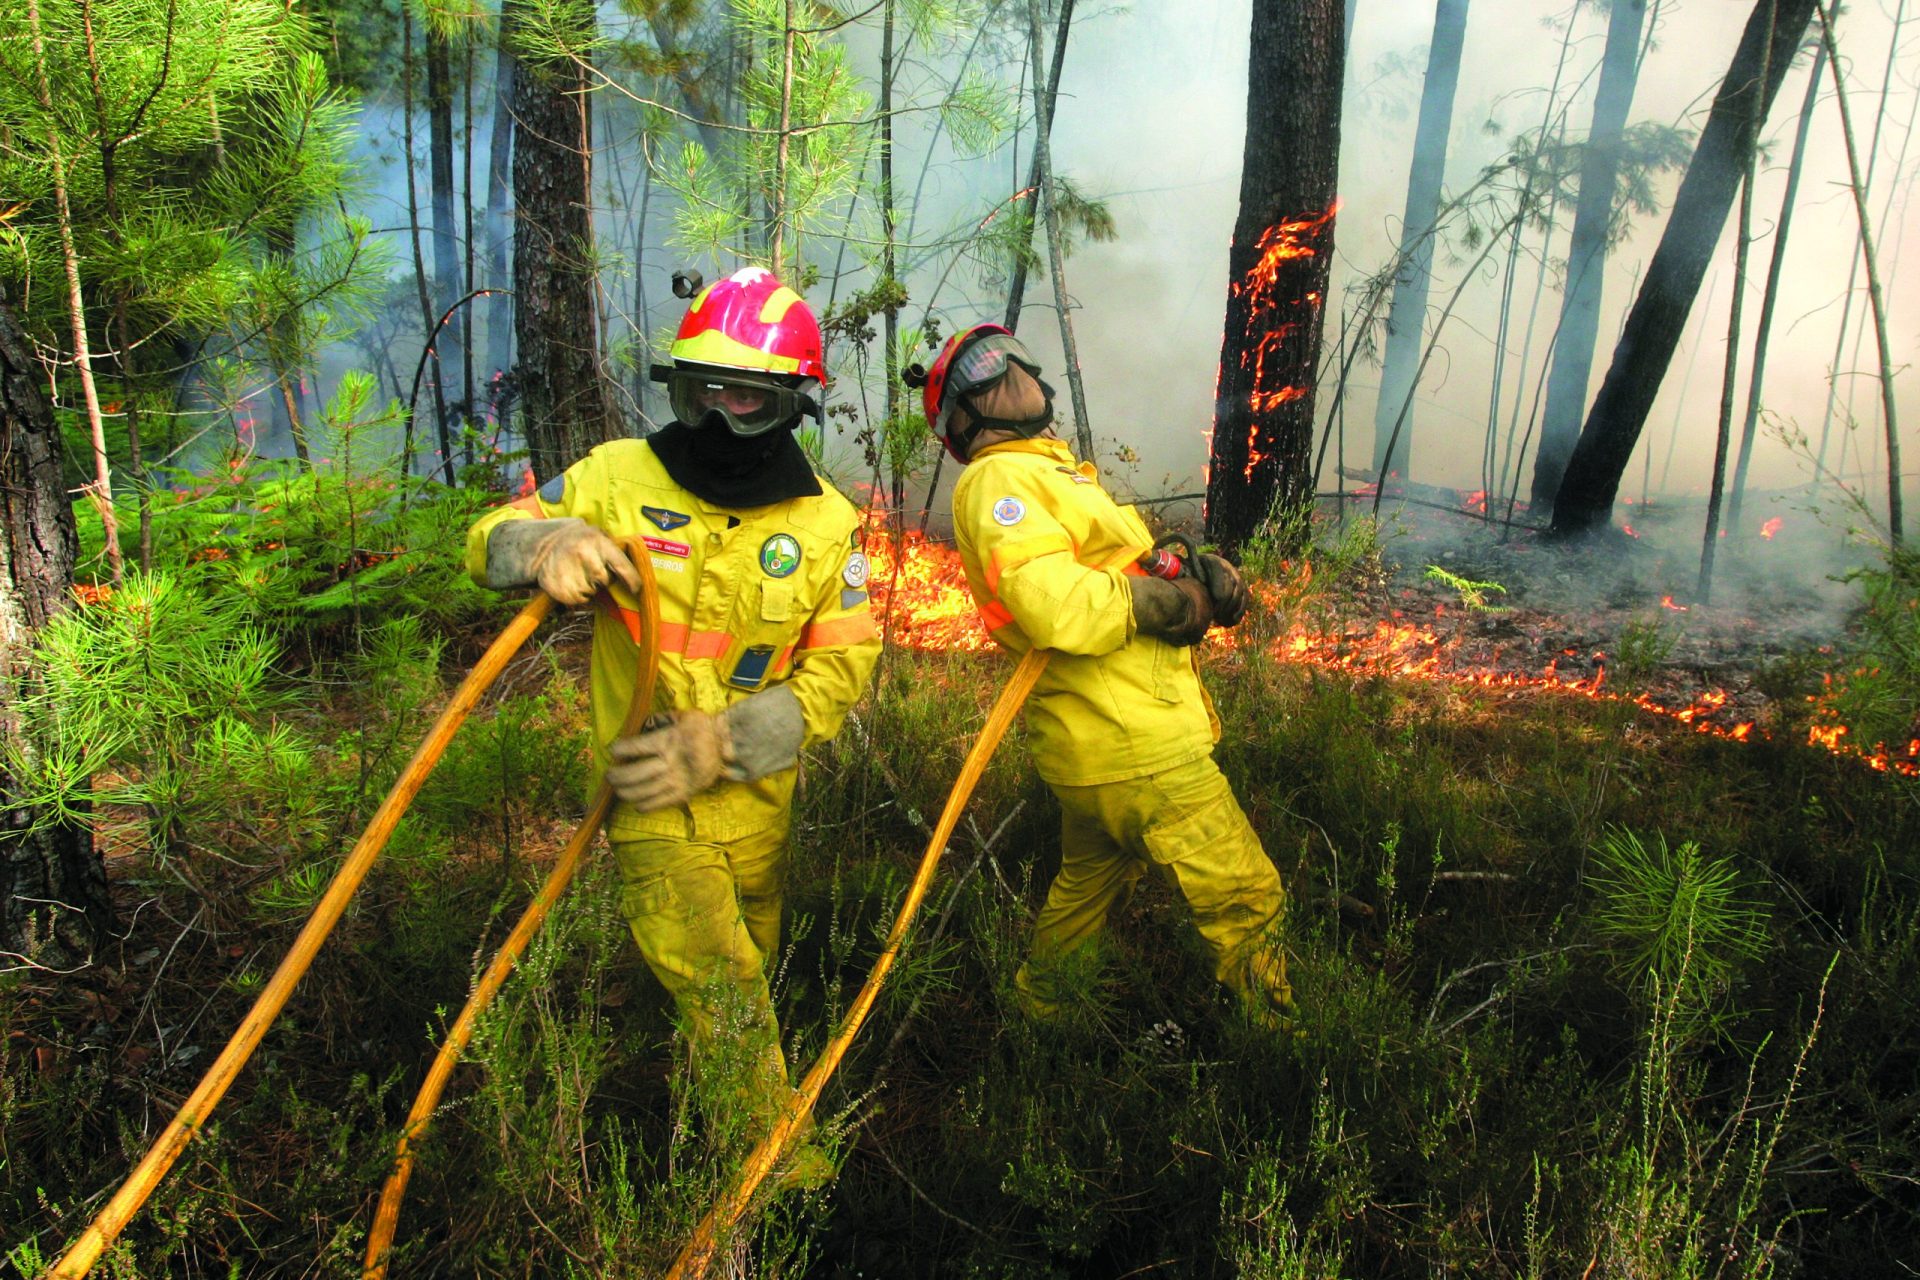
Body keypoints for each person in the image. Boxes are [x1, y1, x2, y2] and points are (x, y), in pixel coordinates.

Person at [466, 266, 881, 1182]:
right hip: (650, 794)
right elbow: (490, 536)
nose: (716, 423)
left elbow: (842, 666)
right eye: (701, 395)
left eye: (747, 401)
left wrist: (727, 744)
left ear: (793, 406)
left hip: (759, 801)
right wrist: (546, 542)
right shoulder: (618, 476)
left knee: (744, 978)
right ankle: (787, 1181)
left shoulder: (828, 525)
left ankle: (700, 1126)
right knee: (727, 990)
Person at [912, 322, 1294, 1027]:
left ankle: (1043, 1022)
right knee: (1246, 894)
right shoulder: (1000, 479)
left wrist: (1195, 580)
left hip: (1103, 741)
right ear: (959, 418)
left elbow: (1118, 572)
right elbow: (1054, 603)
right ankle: (1288, 1048)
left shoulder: (1051, 473)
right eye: (987, 377)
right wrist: (1162, 603)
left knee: (1089, 887)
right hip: (1133, 744)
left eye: (1017, 365)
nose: (1012, 379)